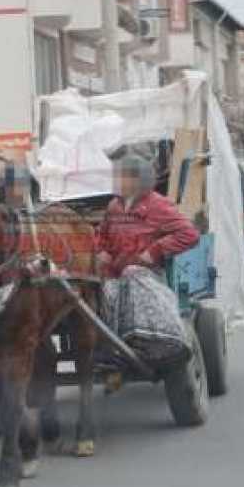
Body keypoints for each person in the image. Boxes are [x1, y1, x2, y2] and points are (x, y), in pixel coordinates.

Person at [95, 155, 200, 374]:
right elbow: (101, 235)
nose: (117, 182)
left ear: (138, 180)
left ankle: (151, 339)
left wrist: (152, 252)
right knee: (97, 288)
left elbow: (189, 234)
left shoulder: (158, 205)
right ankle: (109, 348)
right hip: (116, 274)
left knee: (133, 274)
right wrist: (102, 251)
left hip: (149, 275)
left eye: (122, 177)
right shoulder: (114, 206)